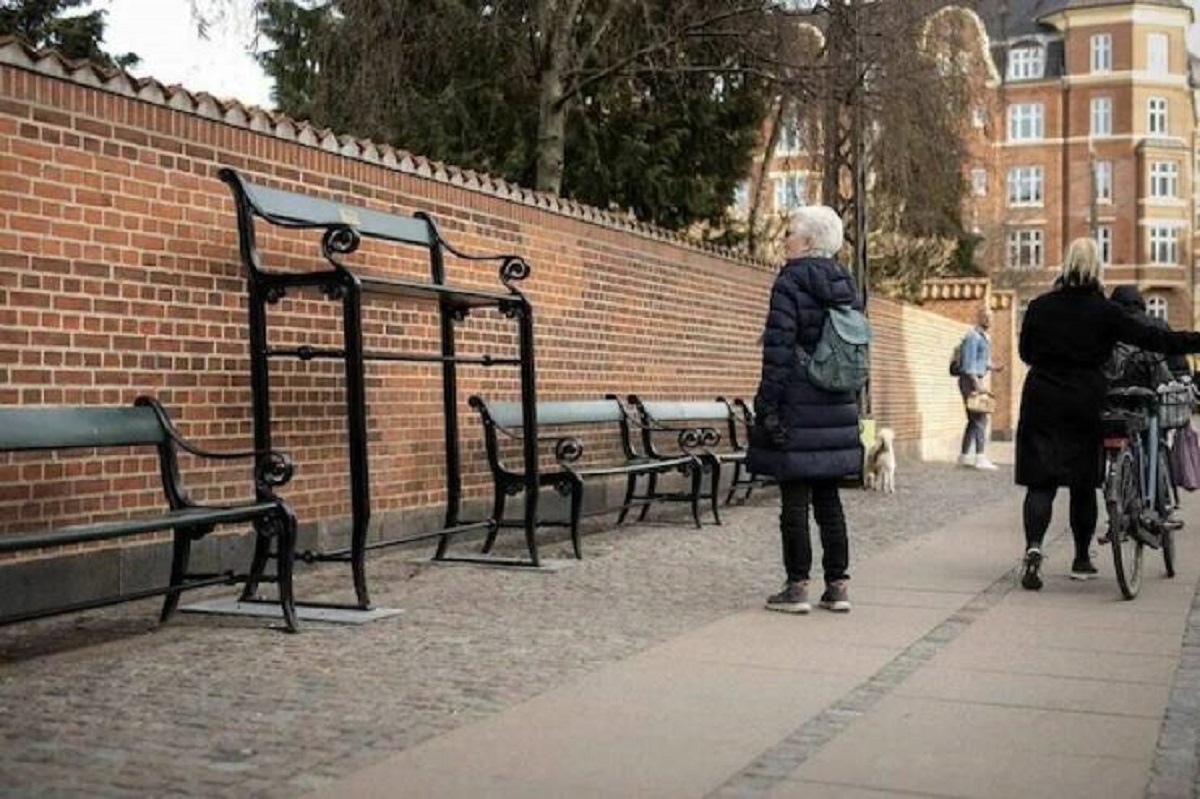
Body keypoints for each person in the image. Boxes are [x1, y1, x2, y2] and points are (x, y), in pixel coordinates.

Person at [1015, 238, 1200, 589]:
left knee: (1041, 483)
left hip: (1041, 398)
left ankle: (1034, 548)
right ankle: (1082, 559)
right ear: (1097, 269)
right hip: (1085, 399)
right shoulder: (1106, 312)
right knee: (1083, 483)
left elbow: (1025, 352)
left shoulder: (1039, 307)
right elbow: (1155, 339)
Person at [748, 205, 862, 614]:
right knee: (829, 498)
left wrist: (767, 406)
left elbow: (778, 351)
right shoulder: (846, 284)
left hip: (798, 400)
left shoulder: (790, 282)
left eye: (790, 233)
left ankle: (797, 587)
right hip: (835, 401)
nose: (785, 240)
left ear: (809, 241)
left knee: (794, 499)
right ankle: (838, 586)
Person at [957, 306, 1003, 470]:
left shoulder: (985, 338)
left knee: (973, 420)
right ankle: (980, 457)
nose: (989, 320)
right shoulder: (973, 337)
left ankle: (964, 456)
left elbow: (981, 361)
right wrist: (978, 387)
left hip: (975, 379)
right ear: (980, 318)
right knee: (980, 418)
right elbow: (969, 365)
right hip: (970, 381)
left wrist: (994, 367)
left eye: (991, 317)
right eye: (986, 317)